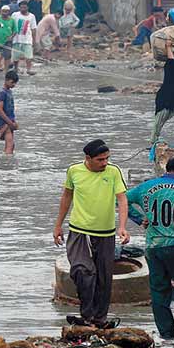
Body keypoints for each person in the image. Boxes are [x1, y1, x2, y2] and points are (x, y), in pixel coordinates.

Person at [126, 153, 174, 339]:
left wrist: (139, 219)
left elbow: (120, 199)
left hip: (154, 247)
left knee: (159, 292)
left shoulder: (146, 186)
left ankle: (166, 333)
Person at [54, 139, 129, 329]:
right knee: (83, 270)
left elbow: (122, 199)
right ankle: (87, 315)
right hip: (79, 230)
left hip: (106, 232)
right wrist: (58, 225)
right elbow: (67, 196)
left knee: (104, 277)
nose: (105, 163)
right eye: (100, 160)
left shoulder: (113, 171)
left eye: (107, 158)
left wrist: (122, 226)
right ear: (88, 158)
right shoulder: (74, 171)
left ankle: (99, 319)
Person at [0, 70, 18, 155]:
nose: (14, 85)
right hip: (4, 121)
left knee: (11, 145)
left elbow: (10, 109)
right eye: (12, 82)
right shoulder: (2, 93)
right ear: (6, 80)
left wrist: (13, 121)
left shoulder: (9, 92)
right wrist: (10, 122)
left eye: (15, 83)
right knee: (10, 144)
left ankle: (5, 159)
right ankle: (8, 161)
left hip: (9, 120)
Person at [11, 1, 36, 74]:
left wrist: (34, 40)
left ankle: (29, 69)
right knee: (15, 56)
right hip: (16, 38)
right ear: (19, 8)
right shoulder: (15, 15)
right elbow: (11, 25)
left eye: (24, 7)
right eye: (21, 7)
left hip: (27, 39)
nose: (23, 9)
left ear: (28, 7)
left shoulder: (32, 16)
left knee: (28, 56)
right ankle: (15, 68)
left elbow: (33, 29)